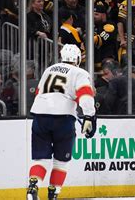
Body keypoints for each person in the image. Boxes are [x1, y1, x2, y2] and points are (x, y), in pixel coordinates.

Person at [26, 44, 96, 200]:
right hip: (62, 118)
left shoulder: (49, 69)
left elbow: (38, 92)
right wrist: (89, 116)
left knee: (41, 159)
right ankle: (53, 193)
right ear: (77, 58)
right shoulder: (79, 72)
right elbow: (85, 95)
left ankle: (33, 186)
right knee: (61, 161)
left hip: (40, 115)